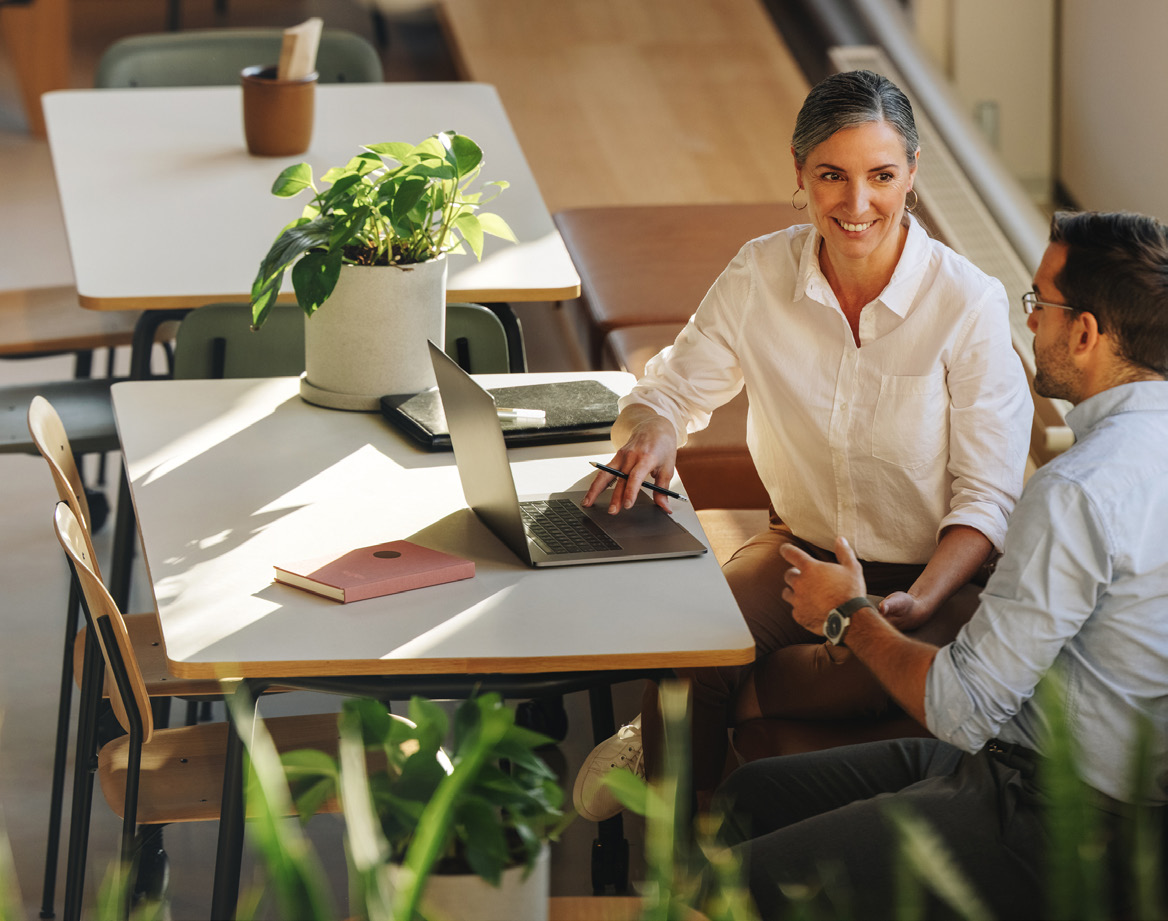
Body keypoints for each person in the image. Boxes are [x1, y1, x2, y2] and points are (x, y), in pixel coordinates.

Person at [572, 69, 1032, 821]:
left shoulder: (967, 303)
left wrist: (908, 604)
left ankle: (718, 699)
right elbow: (672, 389)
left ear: (912, 175)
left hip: (938, 575)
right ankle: (681, 868)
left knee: (881, 666)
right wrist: (654, 430)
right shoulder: (760, 272)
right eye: (832, 176)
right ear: (800, 175)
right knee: (689, 640)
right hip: (801, 551)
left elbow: (987, 500)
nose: (857, 204)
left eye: (882, 176)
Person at [715, 210, 1168, 920]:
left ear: (1085, 333)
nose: (1031, 324)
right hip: (1043, 766)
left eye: (1039, 304)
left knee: (727, 883)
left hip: (1059, 815)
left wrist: (847, 616)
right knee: (752, 794)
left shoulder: (1078, 489)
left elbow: (961, 708)